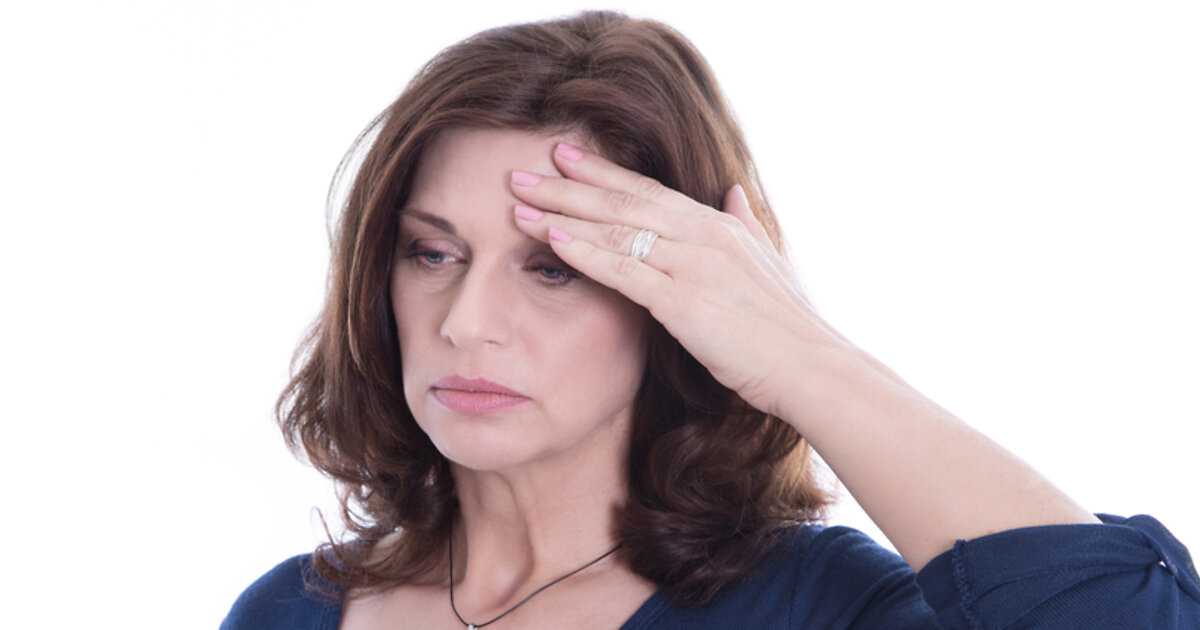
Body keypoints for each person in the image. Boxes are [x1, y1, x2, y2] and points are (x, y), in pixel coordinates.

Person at [222, 11, 1199, 629]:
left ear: (678, 298)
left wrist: (800, 354)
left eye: (554, 268)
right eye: (433, 254)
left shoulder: (816, 607)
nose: (468, 323)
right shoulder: (288, 612)